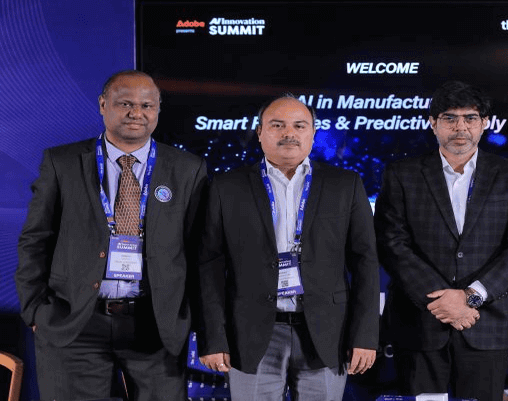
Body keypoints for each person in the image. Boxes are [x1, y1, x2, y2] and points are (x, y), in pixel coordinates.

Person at [15, 70, 208, 400]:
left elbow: (200, 251)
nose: (136, 113)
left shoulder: (188, 169)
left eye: (147, 105)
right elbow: (36, 239)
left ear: (158, 109)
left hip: (155, 327)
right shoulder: (62, 163)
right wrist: (35, 310)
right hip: (75, 322)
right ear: (103, 105)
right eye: (125, 103)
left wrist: (188, 318)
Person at [196, 95, 379, 400]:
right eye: (277, 125)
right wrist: (213, 338)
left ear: (313, 133)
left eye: (299, 125)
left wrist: (365, 336)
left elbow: (366, 262)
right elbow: (209, 266)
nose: (289, 133)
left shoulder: (345, 185)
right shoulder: (226, 186)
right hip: (250, 336)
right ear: (260, 132)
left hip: (327, 334)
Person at [374, 80, 508, 401]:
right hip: (421, 322)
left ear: (485, 123)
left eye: (470, 118)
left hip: (486, 323)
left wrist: (470, 298)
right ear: (433, 123)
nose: (460, 127)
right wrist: (443, 302)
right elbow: (391, 243)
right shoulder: (402, 174)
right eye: (449, 118)